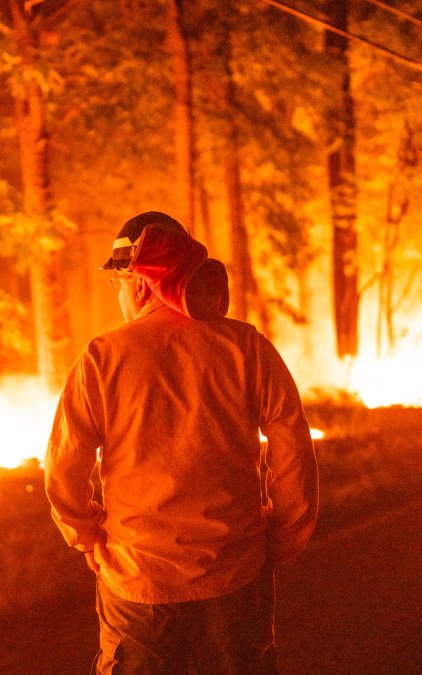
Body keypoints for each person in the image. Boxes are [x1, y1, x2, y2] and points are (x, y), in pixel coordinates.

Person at [45, 211, 319, 675]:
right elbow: (291, 442)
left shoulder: (101, 359)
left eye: (118, 287)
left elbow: (64, 468)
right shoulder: (246, 348)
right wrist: (285, 535)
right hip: (236, 577)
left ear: (138, 284)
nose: (120, 299)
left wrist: (86, 536)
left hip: (139, 588)